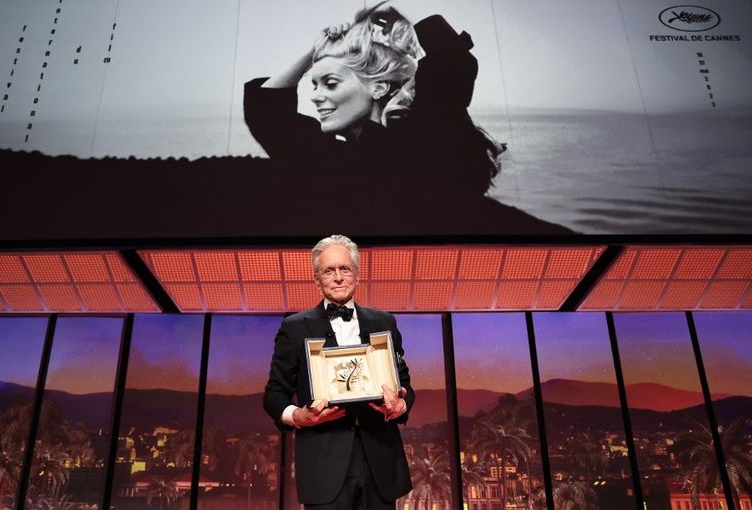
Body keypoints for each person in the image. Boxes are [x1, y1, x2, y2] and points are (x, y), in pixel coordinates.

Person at [244, 3, 574, 235]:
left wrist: (398, 12)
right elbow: (268, 115)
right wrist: (318, 46)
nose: (315, 96)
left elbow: (451, 63)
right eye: (313, 84)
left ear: (379, 87)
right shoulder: (332, 158)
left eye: (330, 83)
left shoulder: (425, 140)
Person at [263, 234, 414, 509]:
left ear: (356, 274)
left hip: (380, 460)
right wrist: (298, 416)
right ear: (317, 279)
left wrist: (401, 404)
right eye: (328, 270)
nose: (338, 277)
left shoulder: (384, 322)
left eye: (345, 269)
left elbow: (405, 384)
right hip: (323, 464)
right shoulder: (294, 327)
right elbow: (274, 393)